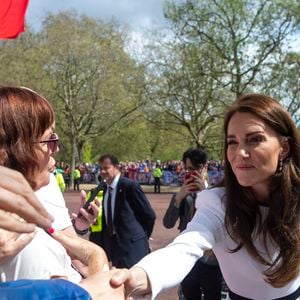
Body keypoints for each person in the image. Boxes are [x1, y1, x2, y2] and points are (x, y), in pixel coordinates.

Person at [104, 93, 300, 300]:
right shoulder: (218, 204)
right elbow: (184, 247)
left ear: (284, 147)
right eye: (232, 142)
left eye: (255, 139)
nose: (240, 152)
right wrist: (138, 277)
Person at [0, 86, 108, 283]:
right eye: (50, 138)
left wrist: (80, 227)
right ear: (20, 147)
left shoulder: (46, 186)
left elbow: (68, 246)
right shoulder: (23, 237)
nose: (56, 148)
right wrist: (99, 262)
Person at [0, 165, 124, 300]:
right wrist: (97, 258)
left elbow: (69, 244)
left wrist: (78, 227)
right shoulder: (28, 240)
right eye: (49, 143)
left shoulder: (49, 181)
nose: (55, 154)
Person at [163, 148, 223, 300]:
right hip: (188, 258)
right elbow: (168, 223)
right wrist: (178, 199)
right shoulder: (182, 194)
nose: (191, 172)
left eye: (195, 168)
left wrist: (205, 193)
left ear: (205, 167)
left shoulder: (217, 193)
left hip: (212, 259)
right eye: (188, 169)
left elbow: (223, 221)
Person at [89, 153, 156, 268]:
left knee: (134, 282)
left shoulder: (129, 186)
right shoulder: (105, 188)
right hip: (115, 246)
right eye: (100, 168)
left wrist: (142, 237)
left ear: (117, 167)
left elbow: (149, 215)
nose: (103, 172)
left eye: (106, 168)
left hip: (133, 246)